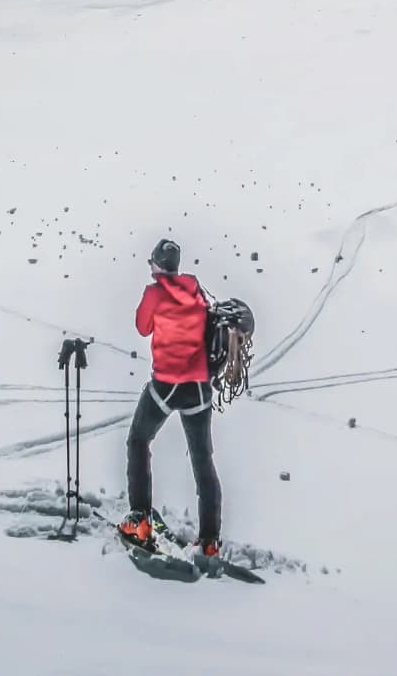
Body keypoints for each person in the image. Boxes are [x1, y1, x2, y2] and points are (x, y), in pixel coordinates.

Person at [119, 238, 222, 557]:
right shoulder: (197, 291)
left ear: (156, 266)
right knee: (203, 460)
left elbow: (142, 327)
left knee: (138, 441)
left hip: (166, 385)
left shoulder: (154, 292)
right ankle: (209, 542)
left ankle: (140, 522)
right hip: (199, 389)